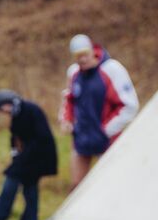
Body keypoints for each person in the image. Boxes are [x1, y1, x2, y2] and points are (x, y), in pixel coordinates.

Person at [59, 34, 138, 190]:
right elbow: (69, 98)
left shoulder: (111, 69)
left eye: (85, 55)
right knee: (76, 187)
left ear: (92, 51)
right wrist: (66, 119)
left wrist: (105, 130)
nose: (82, 60)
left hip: (107, 140)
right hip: (81, 138)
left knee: (112, 186)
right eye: (77, 56)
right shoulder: (74, 73)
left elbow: (129, 106)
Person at [0, 90, 57, 220]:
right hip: (27, 157)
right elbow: (16, 136)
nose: (2, 112)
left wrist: (23, 156)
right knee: (29, 190)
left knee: (16, 182)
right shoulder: (18, 113)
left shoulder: (30, 110)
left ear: (7, 103)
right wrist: (15, 153)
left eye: (2, 108)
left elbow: (41, 137)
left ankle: (0, 216)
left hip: (37, 157)